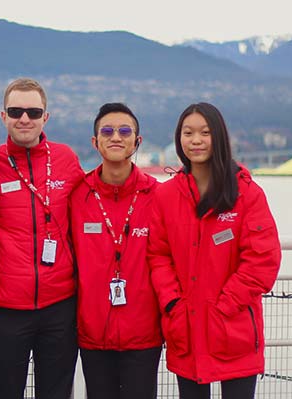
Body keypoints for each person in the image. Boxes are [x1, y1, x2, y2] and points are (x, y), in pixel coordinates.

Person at [147, 102, 281, 398]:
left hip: (233, 329)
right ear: (178, 139)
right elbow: (158, 256)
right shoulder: (166, 196)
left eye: (205, 133)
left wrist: (225, 306)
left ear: (218, 137)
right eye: (188, 133)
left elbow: (262, 260)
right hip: (186, 328)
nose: (196, 140)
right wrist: (173, 304)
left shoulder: (246, 193)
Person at [0, 77, 84, 399]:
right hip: (6, 307)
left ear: (45, 117)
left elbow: (94, 204)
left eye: (33, 111)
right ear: (3, 117)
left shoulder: (66, 159)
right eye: (15, 111)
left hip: (59, 305)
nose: (24, 118)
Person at [70, 103, 163, 399]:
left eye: (125, 131)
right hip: (93, 333)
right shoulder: (78, 195)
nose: (116, 137)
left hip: (144, 335)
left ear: (137, 142)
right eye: (107, 131)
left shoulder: (157, 195)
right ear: (95, 142)